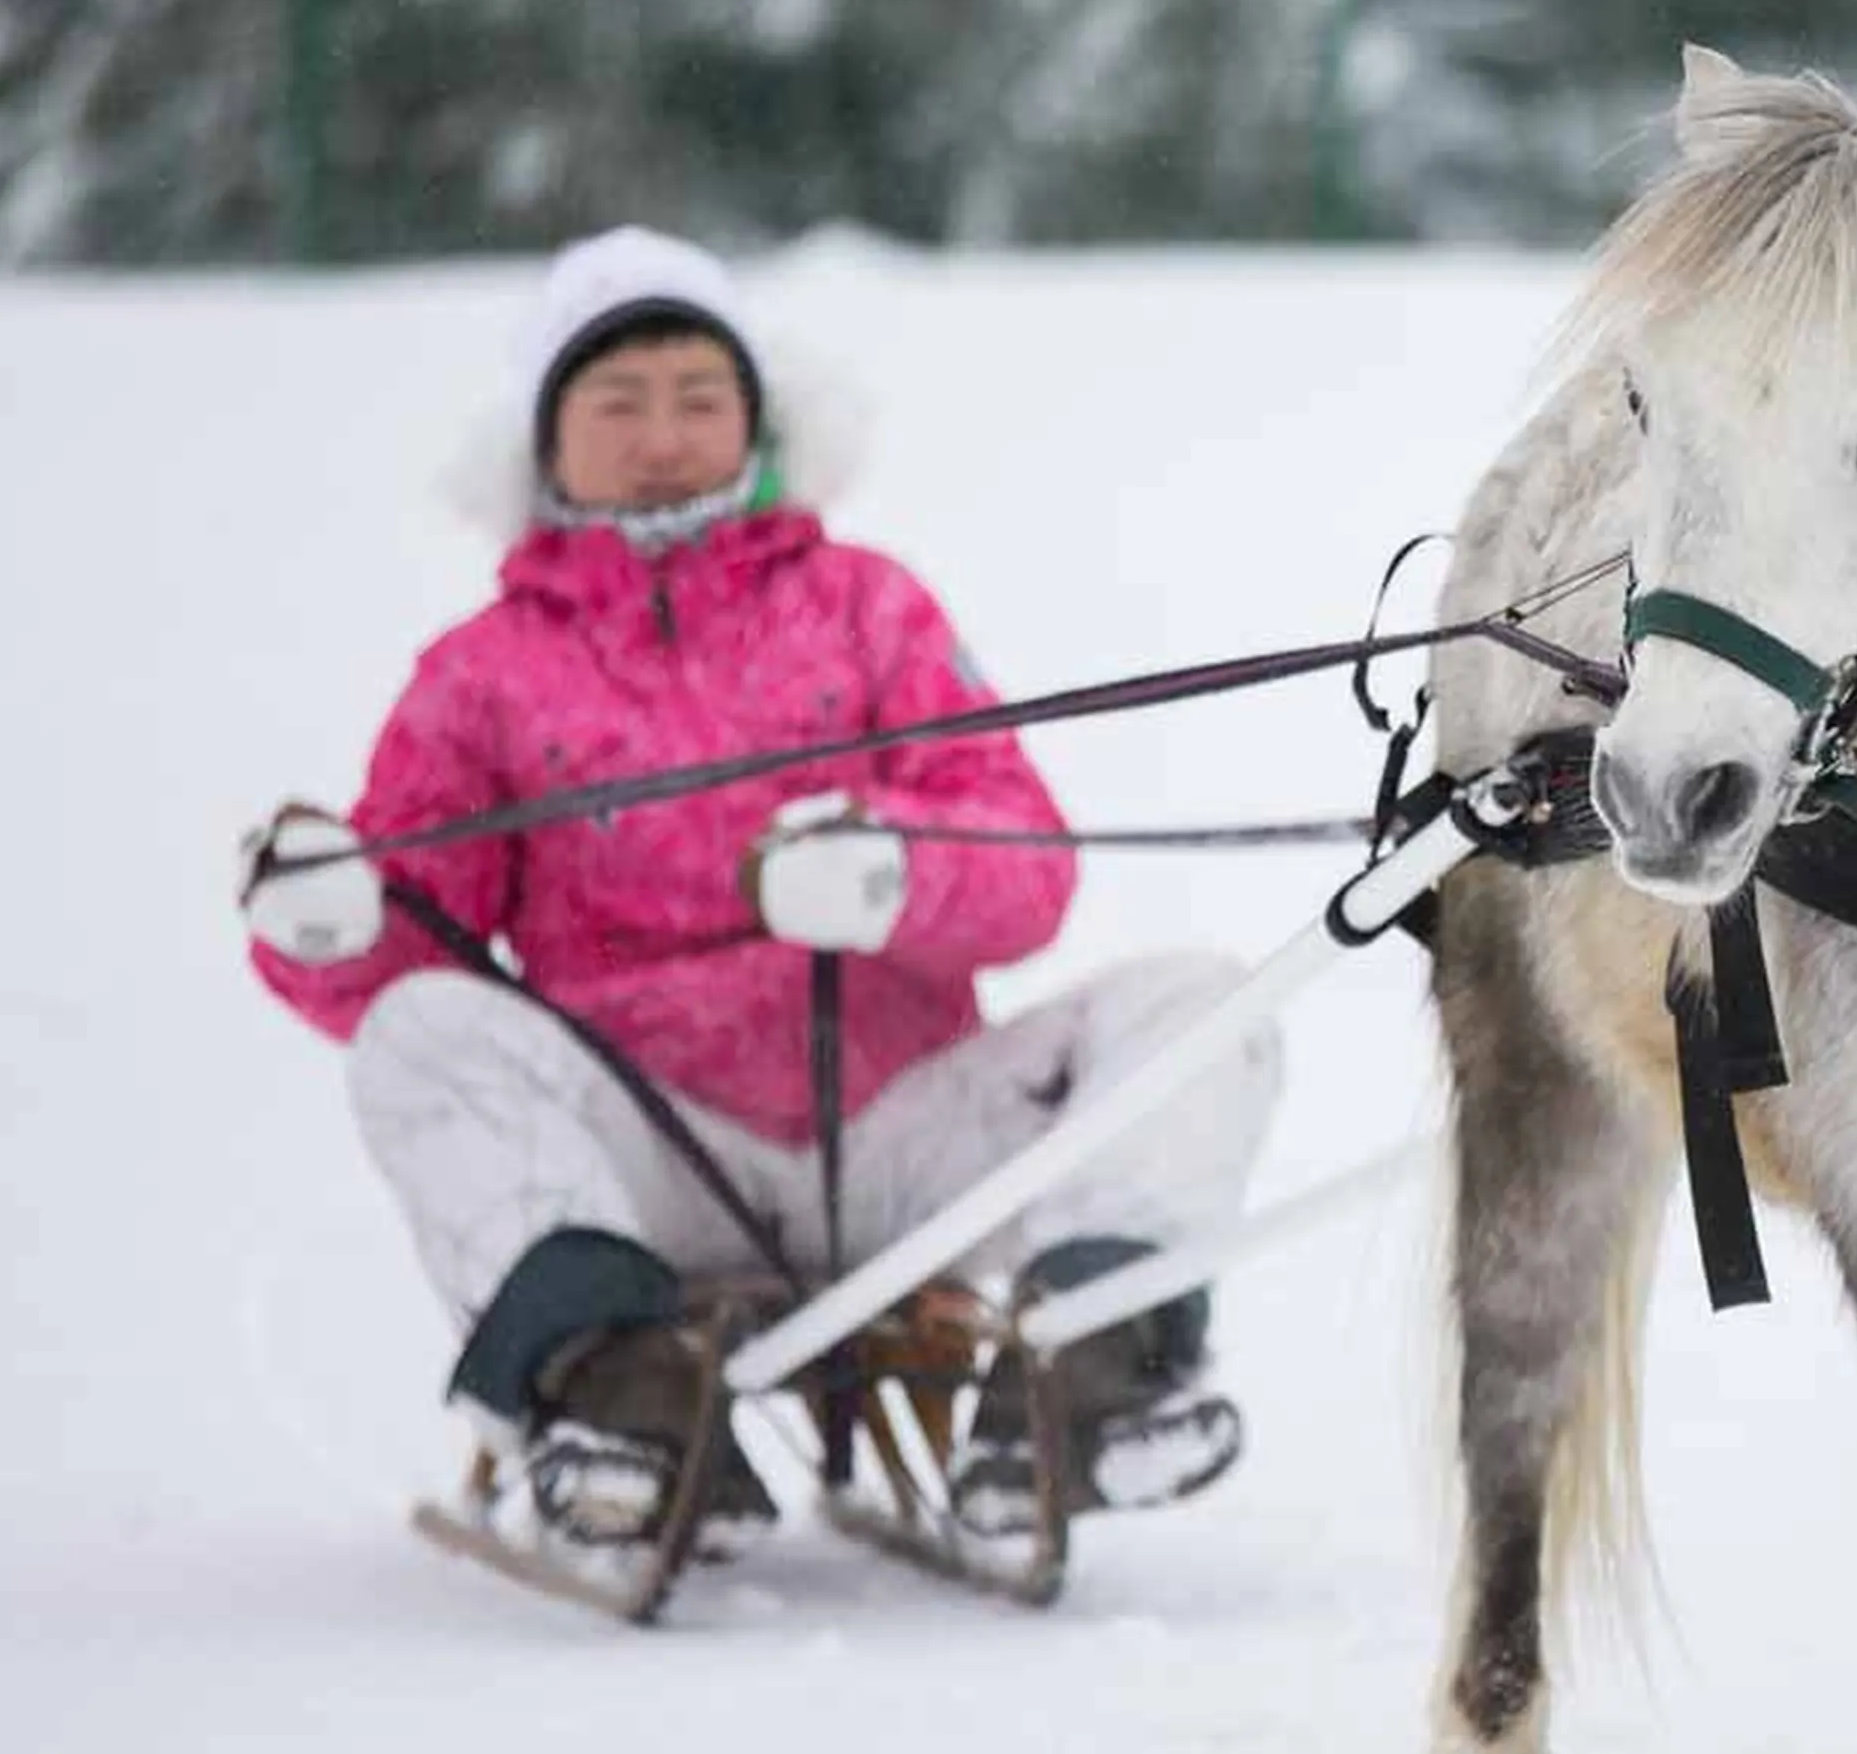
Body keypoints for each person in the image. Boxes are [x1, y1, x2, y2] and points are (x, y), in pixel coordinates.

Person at [240, 225, 1276, 1558]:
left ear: (761, 419)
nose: (662, 434)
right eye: (617, 403)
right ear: (545, 438)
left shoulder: (870, 608)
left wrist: (895, 869)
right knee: (414, 1038)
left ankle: (1092, 1375)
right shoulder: (479, 671)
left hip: (905, 1140)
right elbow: (408, 950)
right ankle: (618, 1399)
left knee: (1204, 1003)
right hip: (652, 1155)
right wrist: (328, 920)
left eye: (699, 399)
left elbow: (1029, 865)